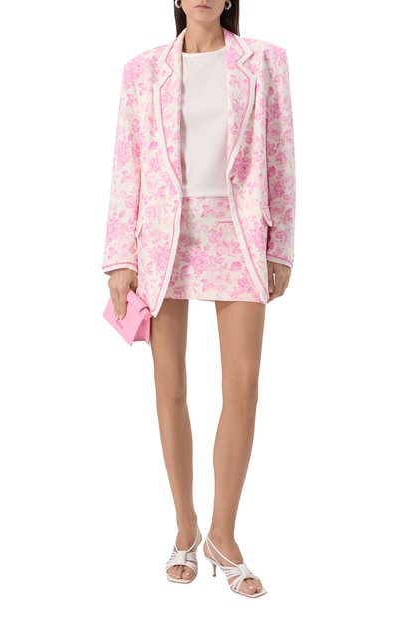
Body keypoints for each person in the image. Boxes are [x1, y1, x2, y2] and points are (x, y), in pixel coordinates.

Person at [102, 0, 295, 599]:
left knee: (243, 388)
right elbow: (128, 164)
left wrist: (281, 246)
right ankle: (185, 528)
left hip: (240, 235)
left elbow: (281, 155)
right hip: (165, 239)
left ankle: (223, 535)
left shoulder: (265, 62)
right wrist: (121, 256)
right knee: (171, 388)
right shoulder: (142, 70)